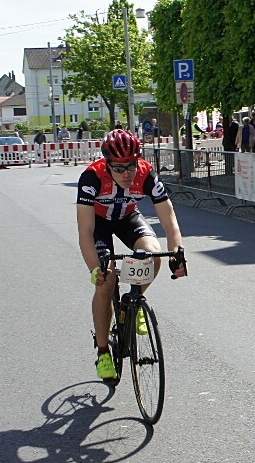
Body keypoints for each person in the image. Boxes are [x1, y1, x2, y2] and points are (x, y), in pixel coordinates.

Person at [76, 129, 187, 381]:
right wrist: (96, 269)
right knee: (107, 281)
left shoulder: (146, 173)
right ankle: (103, 351)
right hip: (99, 223)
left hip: (127, 218)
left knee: (154, 254)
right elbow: (85, 231)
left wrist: (177, 254)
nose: (127, 173)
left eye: (131, 166)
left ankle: (132, 301)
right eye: (119, 168)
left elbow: (169, 219)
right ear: (107, 164)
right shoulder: (91, 178)